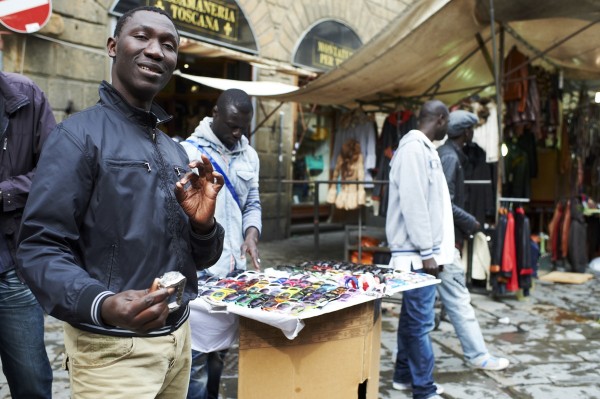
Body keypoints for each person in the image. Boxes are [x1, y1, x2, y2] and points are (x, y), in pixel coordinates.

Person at [16, 6, 225, 399]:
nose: (155, 50)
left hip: (179, 341)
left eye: (168, 44)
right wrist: (103, 303)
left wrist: (203, 226)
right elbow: (39, 247)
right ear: (113, 46)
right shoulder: (77, 136)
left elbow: (198, 258)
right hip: (113, 350)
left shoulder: (174, 151)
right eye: (141, 37)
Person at [181, 88, 261, 399]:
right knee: (196, 363)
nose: (237, 132)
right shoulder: (188, 153)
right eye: (231, 124)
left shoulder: (250, 155)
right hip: (200, 277)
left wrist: (252, 233)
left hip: (234, 275)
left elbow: (252, 201)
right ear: (215, 114)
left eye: (244, 125)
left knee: (221, 356)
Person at [436, 110, 510, 370]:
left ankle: (406, 371)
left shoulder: (450, 155)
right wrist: (471, 221)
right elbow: (445, 203)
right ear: (466, 133)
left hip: (441, 242)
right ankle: (477, 355)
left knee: (423, 313)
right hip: (443, 245)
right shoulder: (449, 157)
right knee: (459, 302)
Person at [386, 99, 450, 399]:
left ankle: (403, 376)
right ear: (440, 119)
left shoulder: (421, 149)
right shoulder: (414, 150)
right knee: (421, 323)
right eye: (447, 122)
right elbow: (414, 204)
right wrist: (427, 251)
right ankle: (424, 389)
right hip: (417, 255)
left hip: (420, 253)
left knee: (413, 319)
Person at [0, 71, 55, 398]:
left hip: (11, 268)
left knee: (32, 383)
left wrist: (4, 192)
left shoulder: (26, 95)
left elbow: (55, 171)